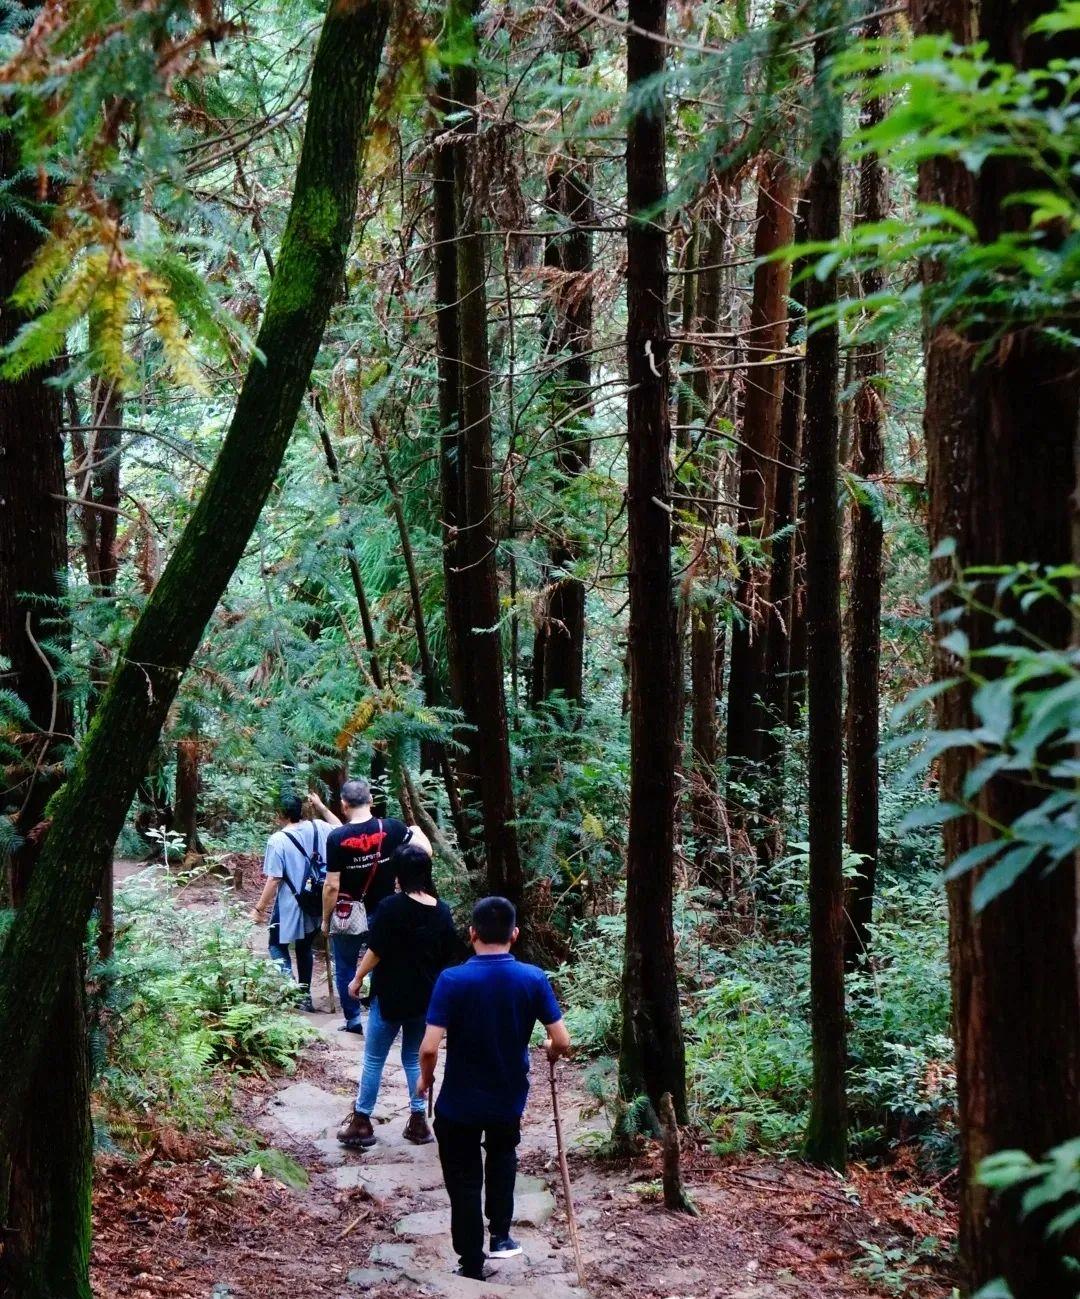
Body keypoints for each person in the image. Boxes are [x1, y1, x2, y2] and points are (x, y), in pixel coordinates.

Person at [418, 897, 571, 1282]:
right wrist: (551, 1050)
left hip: (459, 1101)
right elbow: (562, 1040)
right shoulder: (532, 978)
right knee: (503, 1156)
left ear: (472, 933)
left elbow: (429, 1047)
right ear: (514, 934)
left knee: (464, 1178)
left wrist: (425, 1079)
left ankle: (471, 1260)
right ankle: (501, 1235)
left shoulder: (452, 980)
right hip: (508, 1094)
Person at [337, 844, 460, 1150]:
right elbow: (449, 956)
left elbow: (376, 950)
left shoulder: (391, 907)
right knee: (413, 1057)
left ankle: (361, 1121)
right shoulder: (442, 911)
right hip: (425, 999)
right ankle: (418, 1121)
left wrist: (357, 978)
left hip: (390, 996)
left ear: (399, 874)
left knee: (374, 1059)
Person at [322, 778, 431, 1033]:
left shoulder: (337, 837)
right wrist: (416, 829)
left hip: (347, 912)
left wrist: (325, 919)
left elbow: (331, 885)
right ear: (370, 800)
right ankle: (378, 1015)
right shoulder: (392, 828)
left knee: (346, 965)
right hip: (385, 911)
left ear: (343, 804)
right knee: (382, 963)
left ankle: (353, 1020)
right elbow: (425, 853)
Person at [252, 794, 336, 1011]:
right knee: (304, 947)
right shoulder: (319, 827)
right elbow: (341, 828)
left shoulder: (278, 840)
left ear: (280, 814)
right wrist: (321, 807)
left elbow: (274, 878)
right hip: (317, 900)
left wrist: (259, 909)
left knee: (276, 945)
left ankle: (291, 992)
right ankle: (304, 995)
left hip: (291, 903)